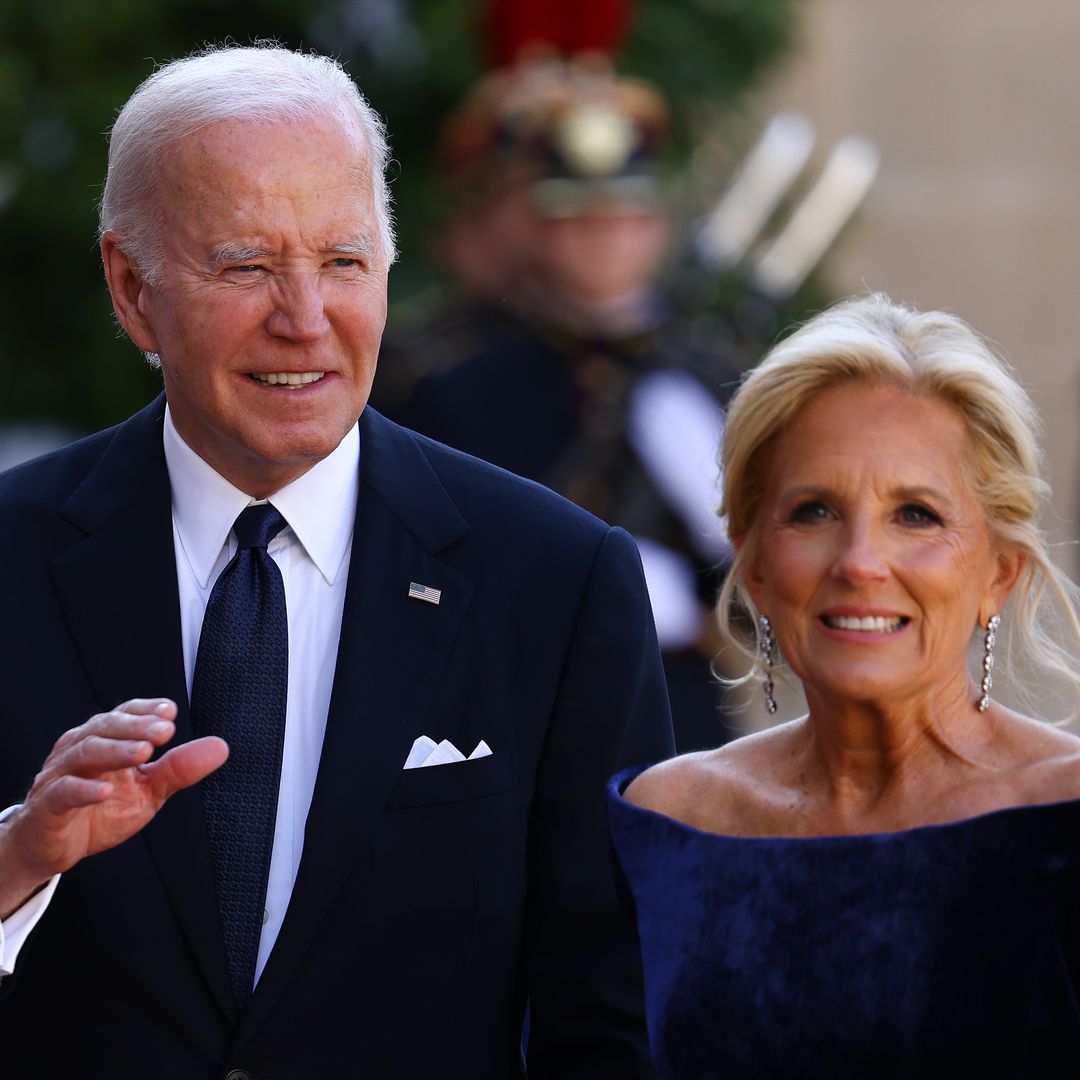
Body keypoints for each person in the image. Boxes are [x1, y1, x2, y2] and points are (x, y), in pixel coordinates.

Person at [0, 45, 674, 1078]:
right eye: (248, 265)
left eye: (344, 263)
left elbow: (615, 1018)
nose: (306, 319)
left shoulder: (558, 578)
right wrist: (16, 861)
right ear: (133, 291)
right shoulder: (13, 553)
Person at [607, 293, 1080, 1077]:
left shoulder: (1064, 817)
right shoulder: (664, 826)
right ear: (754, 563)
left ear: (1000, 571)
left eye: (917, 515)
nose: (860, 561)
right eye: (815, 510)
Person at [380, 56, 741, 753]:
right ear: (535, 227)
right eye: (578, 218)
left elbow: (764, 599)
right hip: (515, 722)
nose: (607, 237)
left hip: (679, 712)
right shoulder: (455, 381)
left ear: (658, 227)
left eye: (628, 215)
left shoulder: (708, 371)